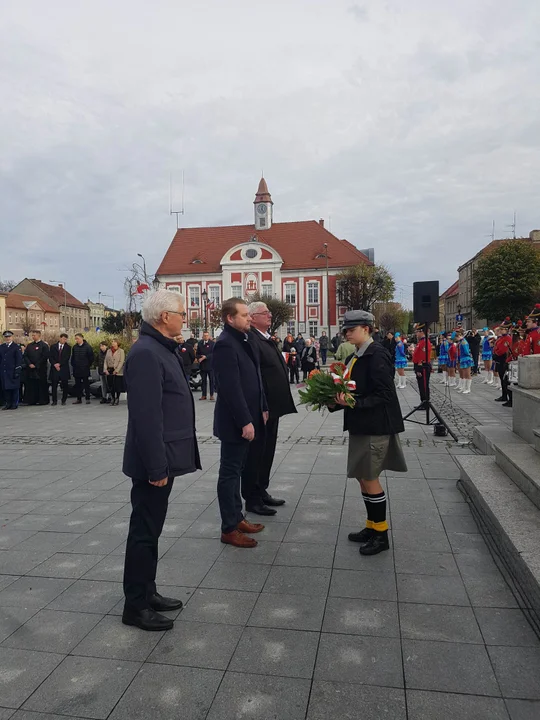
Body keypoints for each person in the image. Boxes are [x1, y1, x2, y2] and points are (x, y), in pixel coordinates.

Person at [122, 290, 200, 632]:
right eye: (181, 313)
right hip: (153, 462)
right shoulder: (145, 354)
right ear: (163, 317)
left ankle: (147, 590)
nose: (185, 317)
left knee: (152, 529)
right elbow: (146, 417)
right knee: (144, 531)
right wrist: (156, 467)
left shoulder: (161, 348)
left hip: (164, 458)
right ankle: (135, 605)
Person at [331, 310, 407, 555]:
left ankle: (381, 535)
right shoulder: (358, 355)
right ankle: (371, 526)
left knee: (370, 479)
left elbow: (385, 394)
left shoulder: (376, 355)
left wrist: (353, 403)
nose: (347, 334)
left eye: (350, 330)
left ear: (366, 328)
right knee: (364, 478)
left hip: (375, 426)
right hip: (364, 424)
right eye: (345, 330)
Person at [212, 298, 268, 548]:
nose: (248, 318)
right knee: (230, 474)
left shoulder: (242, 339)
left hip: (250, 415)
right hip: (235, 421)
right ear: (229, 318)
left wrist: (263, 407)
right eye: (244, 315)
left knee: (238, 470)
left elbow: (255, 377)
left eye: (248, 314)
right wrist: (245, 420)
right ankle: (228, 528)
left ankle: (238, 518)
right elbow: (230, 388)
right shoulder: (225, 344)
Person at [241, 301, 297, 515]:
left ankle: (261, 489)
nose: (270, 315)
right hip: (261, 409)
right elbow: (254, 375)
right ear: (253, 317)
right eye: (265, 313)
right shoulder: (252, 339)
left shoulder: (265, 337)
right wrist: (262, 405)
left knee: (268, 451)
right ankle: (252, 498)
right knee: (256, 453)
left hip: (273, 407)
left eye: (269, 312)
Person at [24, 330, 50, 406]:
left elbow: (45, 356)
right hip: (31, 369)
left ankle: (42, 400)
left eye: (34, 335)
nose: (33, 337)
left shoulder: (44, 345)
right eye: (32, 335)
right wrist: (29, 364)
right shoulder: (29, 345)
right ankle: (32, 400)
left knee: (41, 385)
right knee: (32, 385)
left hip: (40, 369)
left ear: (39, 335)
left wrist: (36, 364)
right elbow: (25, 355)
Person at [0, 331, 23, 410]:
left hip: (13, 370)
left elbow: (19, 359)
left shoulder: (16, 347)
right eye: (6, 337)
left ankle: (14, 403)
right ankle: (8, 403)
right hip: (4, 371)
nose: (7, 338)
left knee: (14, 388)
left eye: (9, 337)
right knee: (6, 388)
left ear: (12, 337)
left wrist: (17, 370)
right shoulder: (2, 347)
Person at [493, 319, 514, 403]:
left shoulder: (507, 338)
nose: (500, 330)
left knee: (506, 380)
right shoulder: (501, 338)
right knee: (502, 379)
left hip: (503, 359)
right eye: (500, 329)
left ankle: (509, 397)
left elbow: (503, 350)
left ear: (507, 329)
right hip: (499, 360)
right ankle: (504, 395)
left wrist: (496, 354)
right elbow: (496, 347)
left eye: (502, 329)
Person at [71, 333, 94, 405]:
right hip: (77, 368)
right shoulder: (74, 347)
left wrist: (87, 365)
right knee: (78, 384)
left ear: (81, 338)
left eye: (77, 338)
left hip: (85, 368)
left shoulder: (88, 347)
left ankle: (87, 398)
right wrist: (74, 364)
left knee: (86, 384)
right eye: (75, 339)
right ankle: (79, 398)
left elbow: (91, 358)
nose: (76, 340)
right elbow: (73, 357)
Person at [412, 324, 433, 403]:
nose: (416, 334)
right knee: (421, 385)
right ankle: (423, 401)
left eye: (417, 332)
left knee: (424, 385)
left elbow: (423, 356)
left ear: (421, 332)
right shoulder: (421, 342)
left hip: (422, 366)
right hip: (419, 365)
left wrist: (419, 368)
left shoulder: (424, 342)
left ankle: (425, 402)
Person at [49, 333, 71, 406]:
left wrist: (60, 364)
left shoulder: (68, 347)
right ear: (60, 338)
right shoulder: (53, 347)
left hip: (63, 368)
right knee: (54, 385)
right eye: (63, 339)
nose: (64, 340)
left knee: (65, 385)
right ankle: (54, 400)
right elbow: (50, 357)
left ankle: (63, 400)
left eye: (65, 339)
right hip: (54, 368)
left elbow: (66, 358)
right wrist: (55, 364)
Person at [104, 340, 125, 406]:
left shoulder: (121, 351)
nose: (112, 343)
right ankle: (112, 397)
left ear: (117, 343)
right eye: (112, 342)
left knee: (117, 385)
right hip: (110, 369)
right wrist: (105, 369)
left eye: (114, 342)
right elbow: (105, 361)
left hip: (117, 370)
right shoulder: (108, 351)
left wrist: (117, 370)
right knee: (111, 385)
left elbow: (121, 361)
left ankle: (117, 398)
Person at [197, 330, 215, 401]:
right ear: (202, 336)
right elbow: (197, 353)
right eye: (204, 335)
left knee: (211, 380)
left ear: (209, 336)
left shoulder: (212, 343)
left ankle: (211, 395)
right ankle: (203, 395)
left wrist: (206, 357)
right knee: (203, 381)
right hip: (203, 365)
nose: (205, 337)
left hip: (210, 365)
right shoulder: (200, 343)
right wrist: (199, 358)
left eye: (207, 335)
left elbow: (213, 353)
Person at [456, 329, 473, 394]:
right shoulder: (461, 342)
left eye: (457, 336)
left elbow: (466, 351)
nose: (457, 338)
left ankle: (468, 388)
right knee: (464, 374)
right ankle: (464, 387)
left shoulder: (463, 342)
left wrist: (468, 355)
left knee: (467, 374)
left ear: (461, 335)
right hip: (463, 358)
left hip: (466, 358)